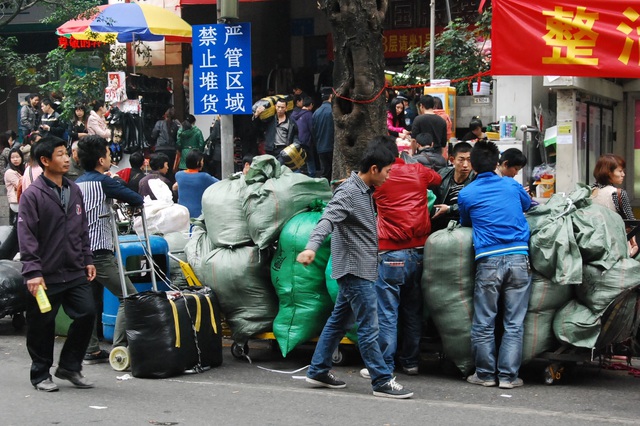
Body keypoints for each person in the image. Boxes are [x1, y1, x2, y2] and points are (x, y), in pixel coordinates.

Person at [297, 140, 414, 399]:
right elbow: (326, 219)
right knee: (369, 326)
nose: (389, 175)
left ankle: (317, 370)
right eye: (387, 171)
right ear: (374, 169)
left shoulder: (364, 191)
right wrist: (311, 247)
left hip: (360, 268)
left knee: (339, 321)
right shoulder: (349, 192)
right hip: (354, 270)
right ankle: (381, 380)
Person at [18, 135, 97, 392]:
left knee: (87, 312)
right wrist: (32, 271)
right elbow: (26, 234)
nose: (67, 158)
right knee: (42, 325)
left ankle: (69, 367)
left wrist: (87, 259)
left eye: (67, 153)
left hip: (73, 270)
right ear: (45, 160)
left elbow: (81, 228)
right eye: (61, 154)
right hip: (44, 275)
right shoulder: (33, 195)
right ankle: (41, 375)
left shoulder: (74, 189)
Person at [359, 136, 441, 380]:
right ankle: (411, 361)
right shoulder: (417, 170)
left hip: (390, 252)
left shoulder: (378, 179)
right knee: (413, 310)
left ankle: (384, 363)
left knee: (387, 311)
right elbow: (436, 179)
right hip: (419, 251)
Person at [458, 140, 532, 389]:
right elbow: (526, 205)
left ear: (474, 165)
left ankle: (485, 374)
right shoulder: (512, 185)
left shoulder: (467, 193)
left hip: (488, 260)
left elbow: (466, 220)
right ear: (497, 163)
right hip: (519, 259)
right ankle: (509, 377)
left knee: (484, 321)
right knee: (514, 322)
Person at [76, 135, 144, 363]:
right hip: (99, 252)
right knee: (129, 296)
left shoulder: (77, 183)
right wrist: (115, 180)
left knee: (92, 302)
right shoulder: (104, 182)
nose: (110, 157)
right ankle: (119, 348)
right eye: (107, 153)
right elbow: (135, 197)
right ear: (99, 159)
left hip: (80, 252)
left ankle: (91, 350)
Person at [591, 154, 638, 257]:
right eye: (620, 171)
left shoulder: (589, 192)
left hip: (593, 245)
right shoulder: (617, 194)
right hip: (616, 247)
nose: (623, 174)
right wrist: (634, 243)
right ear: (608, 173)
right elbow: (632, 222)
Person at [431, 142, 476, 232]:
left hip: (464, 225)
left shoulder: (476, 180)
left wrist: (449, 209)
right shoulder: (442, 174)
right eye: (461, 160)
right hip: (440, 222)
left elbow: (473, 207)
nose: (465, 165)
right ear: (452, 160)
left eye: (469, 160)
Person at [173, 150, 219, 218]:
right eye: (202, 161)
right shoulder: (204, 177)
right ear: (198, 162)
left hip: (183, 214)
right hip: (198, 215)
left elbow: (175, 187)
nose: (203, 163)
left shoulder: (179, 175)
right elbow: (220, 184)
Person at [150, 106, 181, 182]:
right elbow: (178, 137)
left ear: (165, 115)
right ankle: (169, 185)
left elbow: (153, 135)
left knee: (159, 168)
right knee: (170, 170)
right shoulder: (176, 125)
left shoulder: (159, 123)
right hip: (171, 150)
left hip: (160, 149)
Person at [312, 87, 334, 181]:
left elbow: (313, 131)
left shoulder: (316, 113)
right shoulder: (333, 111)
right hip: (332, 147)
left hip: (321, 147)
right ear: (331, 96)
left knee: (325, 173)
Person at [291, 96, 316, 176]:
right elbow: (311, 128)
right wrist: (315, 140)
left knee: (298, 160)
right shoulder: (308, 114)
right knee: (310, 159)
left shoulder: (295, 114)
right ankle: (312, 177)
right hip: (306, 141)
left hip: (297, 141)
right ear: (311, 105)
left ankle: (299, 177)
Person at [4, 147, 24, 224]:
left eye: (17, 157)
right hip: (16, 202)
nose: (15, 159)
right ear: (9, 159)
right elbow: (20, 185)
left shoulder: (21, 169)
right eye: (12, 157)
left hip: (21, 200)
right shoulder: (9, 172)